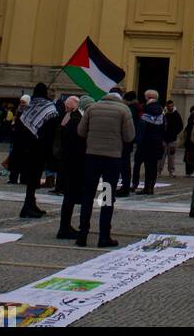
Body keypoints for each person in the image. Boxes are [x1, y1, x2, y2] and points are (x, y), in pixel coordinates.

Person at [76, 85, 135, 246]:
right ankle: (103, 236)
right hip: (112, 159)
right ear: (120, 97)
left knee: (88, 196)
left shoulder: (92, 108)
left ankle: (82, 234)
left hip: (92, 157)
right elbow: (129, 136)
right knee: (107, 197)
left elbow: (80, 131)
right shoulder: (123, 111)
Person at [18, 83, 59, 219]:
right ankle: (27, 207)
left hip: (25, 147)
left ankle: (31, 204)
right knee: (34, 178)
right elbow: (52, 130)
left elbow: (21, 124)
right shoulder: (49, 107)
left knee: (32, 178)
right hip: (40, 148)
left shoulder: (29, 105)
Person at [56, 96, 88, 239]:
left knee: (69, 196)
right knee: (70, 196)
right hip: (74, 163)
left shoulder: (68, 119)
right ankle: (64, 228)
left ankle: (66, 226)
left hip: (67, 161)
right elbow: (77, 142)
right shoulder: (76, 120)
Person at [132, 90, 165, 194]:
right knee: (152, 166)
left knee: (138, 164)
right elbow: (164, 128)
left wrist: (137, 140)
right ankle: (150, 187)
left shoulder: (145, 112)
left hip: (145, 144)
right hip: (157, 143)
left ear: (148, 98)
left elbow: (141, 129)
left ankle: (135, 184)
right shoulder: (161, 112)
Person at [117, 91, 140, 195]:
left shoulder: (128, 110)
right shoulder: (136, 108)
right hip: (127, 141)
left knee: (123, 165)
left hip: (122, 142)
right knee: (125, 164)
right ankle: (124, 186)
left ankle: (124, 187)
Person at [7, 94, 31, 186]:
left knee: (24, 161)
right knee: (15, 161)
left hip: (25, 142)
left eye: (24, 102)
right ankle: (13, 178)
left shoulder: (29, 112)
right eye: (21, 102)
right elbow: (14, 124)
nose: (22, 104)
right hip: (17, 141)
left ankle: (23, 179)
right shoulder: (18, 111)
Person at [160, 99, 183, 177]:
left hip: (172, 139)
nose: (170, 107)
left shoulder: (176, 114)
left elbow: (180, 125)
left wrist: (175, 132)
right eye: (169, 106)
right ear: (166, 106)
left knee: (171, 156)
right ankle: (158, 171)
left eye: (172, 106)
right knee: (161, 156)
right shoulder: (163, 114)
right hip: (163, 138)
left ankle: (171, 171)